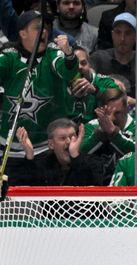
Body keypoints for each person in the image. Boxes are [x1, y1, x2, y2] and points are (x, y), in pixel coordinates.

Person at [0, 10, 78, 185]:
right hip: (7, 149)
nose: (44, 31)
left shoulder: (53, 53)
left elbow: (66, 70)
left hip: (46, 149)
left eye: (45, 28)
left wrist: (69, 54)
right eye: (37, 28)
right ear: (22, 33)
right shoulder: (10, 56)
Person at [15, 118, 104, 185]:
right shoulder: (42, 163)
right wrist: (29, 155)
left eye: (73, 136)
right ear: (51, 144)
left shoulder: (93, 162)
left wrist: (75, 157)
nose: (69, 141)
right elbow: (24, 187)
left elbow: (93, 185)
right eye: (62, 138)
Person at [89, 13, 137, 98]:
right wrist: (109, 81)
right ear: (112, 35)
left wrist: (133, 103)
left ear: (136, 36)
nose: (122, 38)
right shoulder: (98, 58)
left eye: (128, 33)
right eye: (118, 32)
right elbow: (87, 75)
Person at [80, 86, 135, 183]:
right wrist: (100, 132)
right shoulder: (90, 126)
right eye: (107, 113)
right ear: (100, 110)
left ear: (127, 109)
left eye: (117, 113)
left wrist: (113, 132)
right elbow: (80, 154)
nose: (112, 118)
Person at [68, 44, 120, 123]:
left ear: (89, 64)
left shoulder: (103, 82)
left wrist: (95, 91)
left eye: (83, 63)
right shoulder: (61, 83)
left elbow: (119, 99)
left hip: (97, 130)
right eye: (74, 64)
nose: (79, 67)